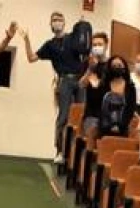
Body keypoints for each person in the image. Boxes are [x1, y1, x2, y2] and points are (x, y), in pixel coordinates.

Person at [22, 11, 88, 164]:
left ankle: (79, 154)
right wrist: (26, 38)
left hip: (80, 80)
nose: (57, 22)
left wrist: (82, 26)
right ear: (51, 24)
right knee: (63, 116)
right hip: (64, 80)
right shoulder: (50, 45)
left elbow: (85, 46)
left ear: (64, 23)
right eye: (54, 20)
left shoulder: (72, 38)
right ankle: (59, 151)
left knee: (81, 116)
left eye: (59, 19)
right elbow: (31, 58)